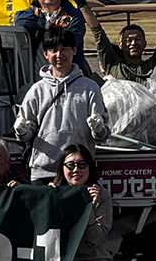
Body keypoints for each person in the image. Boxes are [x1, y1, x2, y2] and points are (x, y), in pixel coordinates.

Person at [14, 28, 108, 184]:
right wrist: (22, 131)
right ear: (46, 54)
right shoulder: (36, 90)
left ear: (74, 50)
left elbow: (102, 136)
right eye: (53, 50)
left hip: (79, 170)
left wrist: (98, 129)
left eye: (64, 49)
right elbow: (26, 136)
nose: (59, 55)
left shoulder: (90, 88)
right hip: (43, 171)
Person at [52, 145, 112, 261]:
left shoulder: (102, 196)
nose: (76, 169)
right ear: (62, 168)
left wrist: (90, 209)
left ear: (90, 167)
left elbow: (96, 240)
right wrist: (48, 201)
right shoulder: (53, 194)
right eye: (70, 165)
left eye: (81, 164)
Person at [13, 0, 90, 73]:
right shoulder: (31, 14)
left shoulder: (73, 16)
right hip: (38, 78)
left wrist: (44, 29)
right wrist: (45, 25)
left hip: (71, 77)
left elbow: (69, 42)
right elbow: (19, 19)